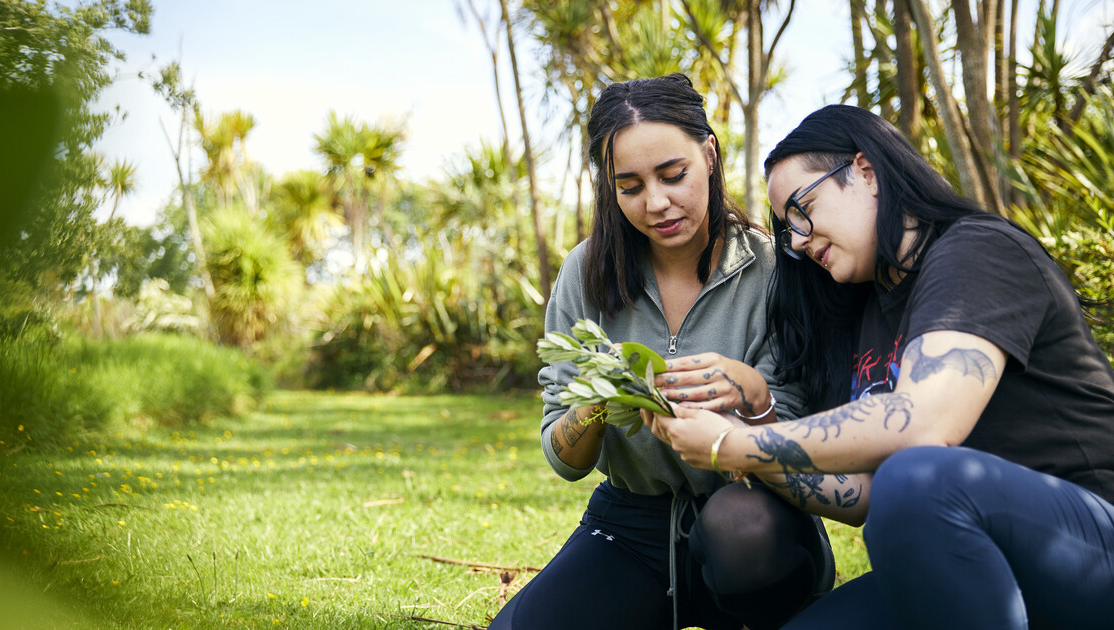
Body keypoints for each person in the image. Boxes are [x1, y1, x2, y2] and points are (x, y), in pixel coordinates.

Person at [649, 104, 1114, 630]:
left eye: (803, 209)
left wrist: (728, 446)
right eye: (786, 229)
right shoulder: (866, 313)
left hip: (1088, 546)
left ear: (866, 171)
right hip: (967, 563)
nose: (797, 240)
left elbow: (923, 427)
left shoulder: (977, 251)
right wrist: (747, 424)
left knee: (915, 476)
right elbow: (864, 494)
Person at [488, 74, 835, 630]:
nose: (657, 203)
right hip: (634, 524)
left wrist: (749, 391)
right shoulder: (586, 271)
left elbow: (797, 429)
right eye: (630, 186)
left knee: (738, 532)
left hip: (753, 514)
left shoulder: (777, 269)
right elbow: (563, 457)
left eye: (674, 175)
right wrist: (598, 398)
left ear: (710, 154)